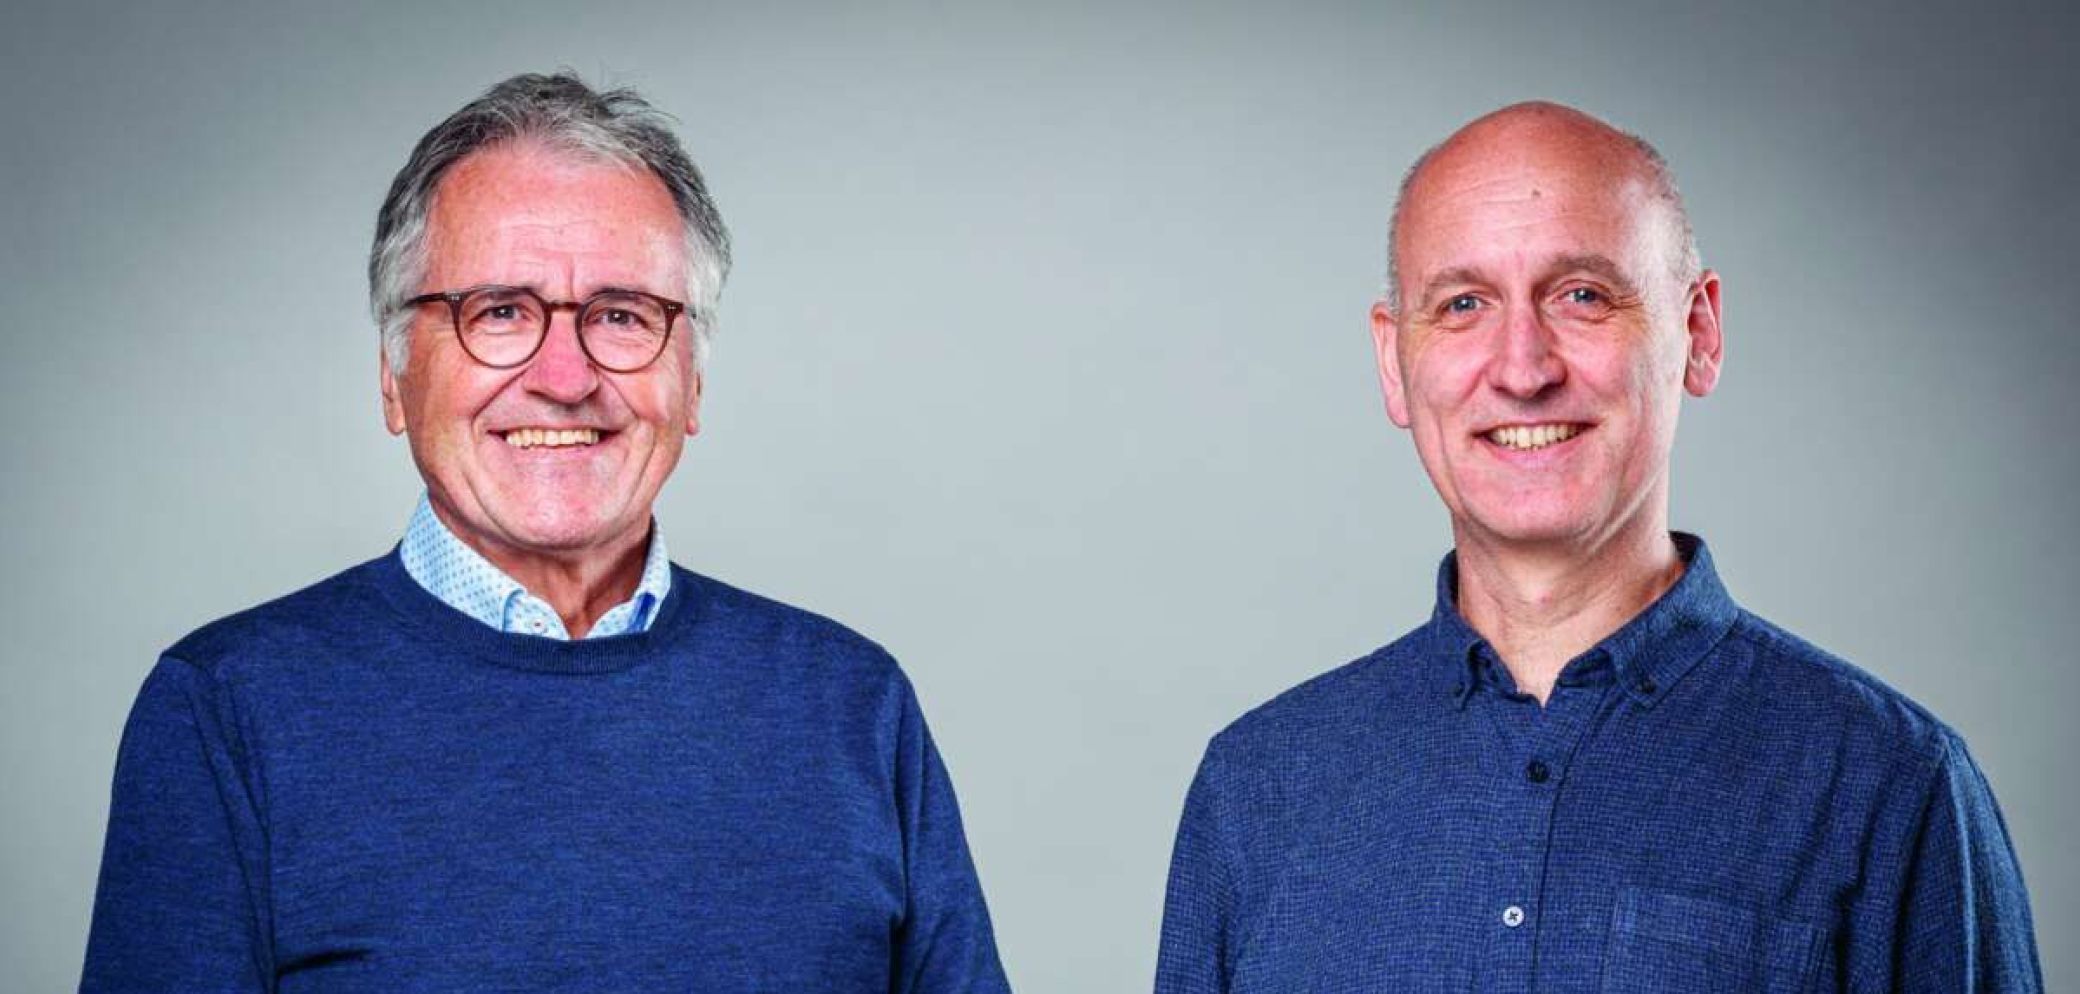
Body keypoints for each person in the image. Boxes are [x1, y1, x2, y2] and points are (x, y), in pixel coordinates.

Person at [81, 72, 1010, 993]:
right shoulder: (226, 712)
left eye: (621, 315)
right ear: (394, 379)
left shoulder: (852, 705)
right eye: (498, 312)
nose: (564, 378)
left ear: (692, 384)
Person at [1153, 102, 2041, 993]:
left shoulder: (1889, 784)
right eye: (1463, 305)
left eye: (1582, 295)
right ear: (1395, 362)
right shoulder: (1258, 789)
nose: (1523, 369)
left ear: (1699, 334)